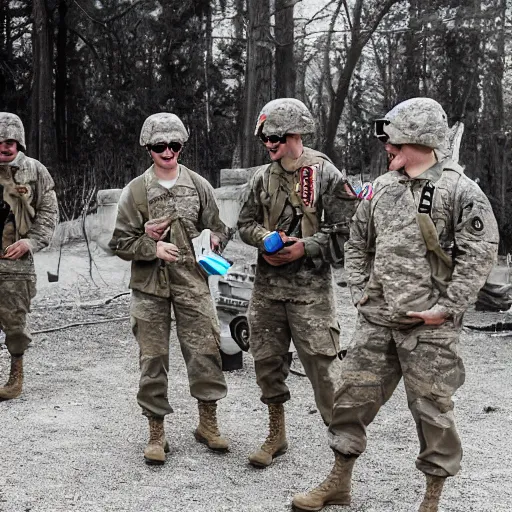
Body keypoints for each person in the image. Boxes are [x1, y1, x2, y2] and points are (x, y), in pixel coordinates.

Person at [292, 98, 499, 511]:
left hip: (430, 328)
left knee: (432, 412)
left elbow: (480, 253)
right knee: (350, 400)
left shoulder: (460, 191)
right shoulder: (383, 188)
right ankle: (339, 481)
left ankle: (431, 499)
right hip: (377, 321)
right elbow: (356, 244)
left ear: (420, 139)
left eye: (395, 139)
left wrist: (447, 308)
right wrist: (360, 291)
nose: (387, 146)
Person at [237, 98, 359, 468]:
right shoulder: (262, 177)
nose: (269, 144)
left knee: (325, 370)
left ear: (295, 134)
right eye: (264, 138)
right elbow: (243, 224)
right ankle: (277, 434)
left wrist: (304, 248)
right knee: (267, 362)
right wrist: (264, 239)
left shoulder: (326, 174)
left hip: (311, 293)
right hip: (268, 290)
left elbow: (347, 230)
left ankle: (342, 452)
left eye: (274, 137)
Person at [109, 113, 231, 465]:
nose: (168, 151)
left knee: (205, 352)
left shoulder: (198, 185)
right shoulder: (136, 190)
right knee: (153, 359)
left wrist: (214, 240)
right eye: (160, 146)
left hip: (193, 283)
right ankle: (156, 432)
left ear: (182, 146)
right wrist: (150, 246)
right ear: (149, 148)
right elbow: (120, 242)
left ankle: (207, 424)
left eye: (174, 145)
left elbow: (219, 228)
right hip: (150, 288)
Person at [0, 112, 58, 400]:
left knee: (15, 321)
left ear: (19, 142)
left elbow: (48, 212)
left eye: (10, 140)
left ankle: (15, 376)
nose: (4, 146)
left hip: (16, 264)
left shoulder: (35, 171)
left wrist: (31, 242)